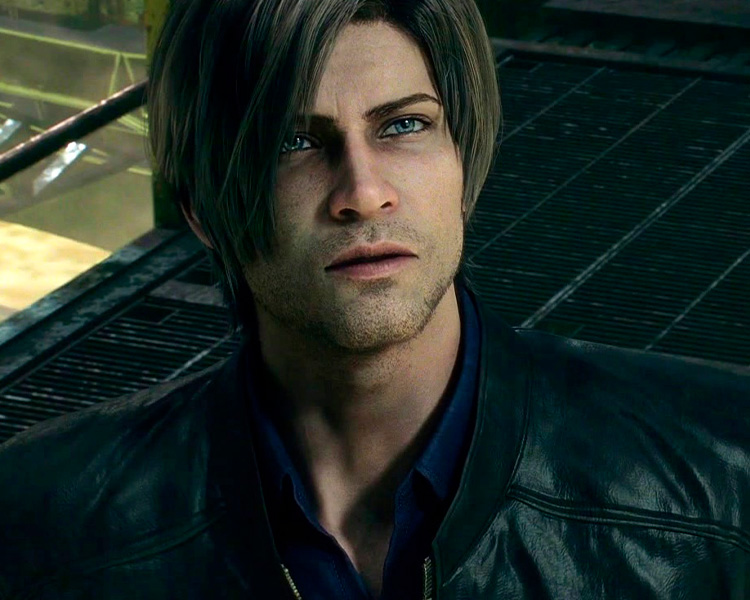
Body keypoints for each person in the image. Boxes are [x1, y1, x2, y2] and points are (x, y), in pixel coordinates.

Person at [1, 0, 749, 598]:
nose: (363, 193)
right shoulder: (42, 525)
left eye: (404, 125)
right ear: (203, 206)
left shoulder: (724, 478)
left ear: (463, 161)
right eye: (295, 142)